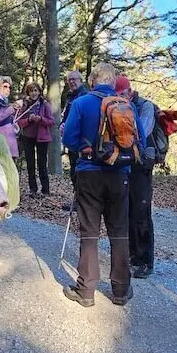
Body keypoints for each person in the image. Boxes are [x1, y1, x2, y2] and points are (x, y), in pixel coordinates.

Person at [61, 62, 140, 307]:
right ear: (114, 82)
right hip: (120, 173)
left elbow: (68, 138)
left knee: (90, 233)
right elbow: (140, 140)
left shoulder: (81, 103)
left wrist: (87, 148)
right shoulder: (127, 106)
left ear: (92, 80)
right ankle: (121, 289)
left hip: (89, 173)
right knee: (119, 232)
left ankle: (86, 290)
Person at [115, 75, 156, 279]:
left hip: (142, 165)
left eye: (122, 94)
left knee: (141, 211)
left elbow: (143, 131)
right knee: (127, 210)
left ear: (129, 92)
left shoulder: (145, 106)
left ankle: (145, 261)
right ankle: (132, 255)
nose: (120, 97)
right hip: (126, 163)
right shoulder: (117, 106)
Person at [16, 81, 55, 196]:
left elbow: (51, 122)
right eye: (31, 91)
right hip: (28, 137)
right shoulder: (25, 105)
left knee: (42, 164)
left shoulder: (45, 104)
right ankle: (33, 189)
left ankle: (45, 190)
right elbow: (19, 122)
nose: (33, 93)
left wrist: (41, 119)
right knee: (30, 164)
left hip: (42, 138)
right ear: (28, 92)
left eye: (35, 91)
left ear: (39, 92)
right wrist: (29, 120)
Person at [59, 70, 87, 186]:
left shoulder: (85, 96)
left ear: (80, 80)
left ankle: (80, 194)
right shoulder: (70, 96)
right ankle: (76, 193)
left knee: (80, 170)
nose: (71, 82)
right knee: (74, 169)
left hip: (82, 139)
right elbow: (67, 115)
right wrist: (62, 124)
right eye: (69, 80)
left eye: (74, 79)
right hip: (72, 139)